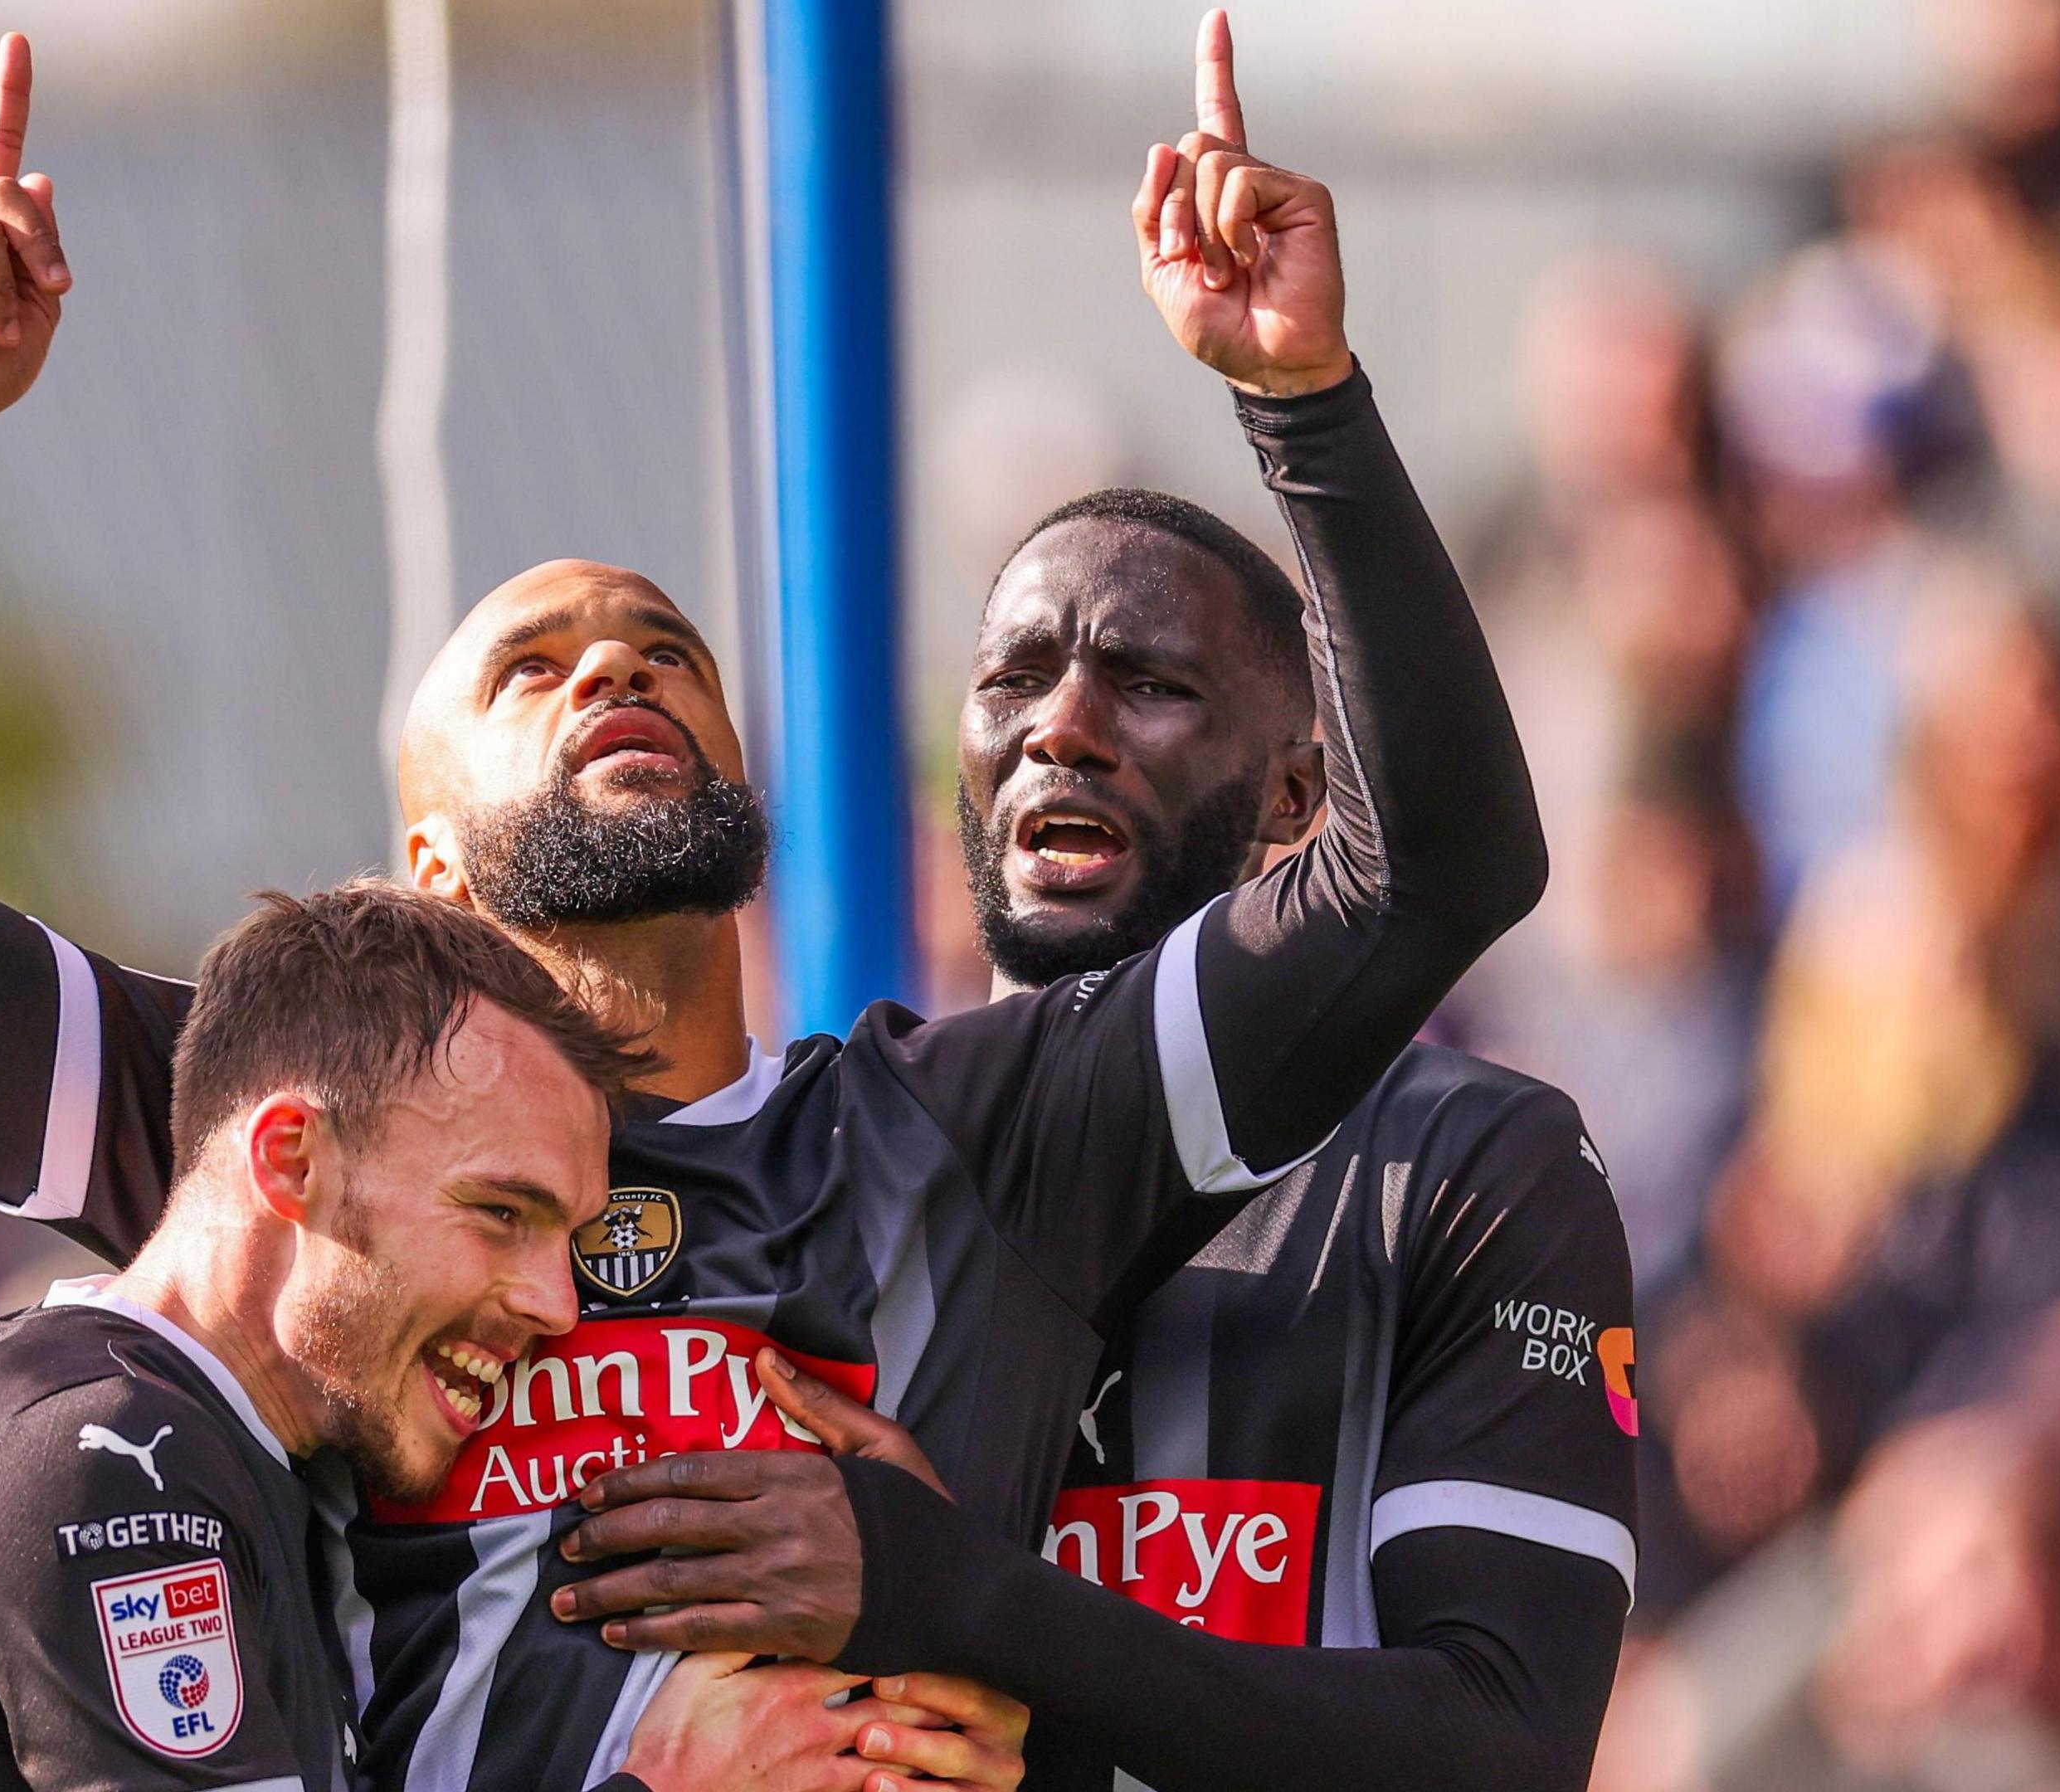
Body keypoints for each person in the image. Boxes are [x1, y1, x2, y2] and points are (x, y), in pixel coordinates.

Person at [0, 16, 1538, 1790]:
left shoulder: (980, 1138)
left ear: (750, 780)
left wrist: (1302, 400)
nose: (615, 674)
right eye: (531, 668)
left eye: (668, 650)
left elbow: (1433, 865)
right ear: (425, 863)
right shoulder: (290, 1135)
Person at [550, 20, 1636, 1791]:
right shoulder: (843, 1162)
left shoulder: (1465, 1167)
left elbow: (1498, 1753)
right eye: (1018, 678)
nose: (1062, 718)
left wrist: (958, 1600)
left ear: (1300, 797)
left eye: (1147, 681)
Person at [0, 882, 972, 1792]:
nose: (557, 1304)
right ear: (292, 1162)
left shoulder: (229, 1443)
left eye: (566, 1237)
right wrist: (664, 1784)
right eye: (500, 1214)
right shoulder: (105, 1461)